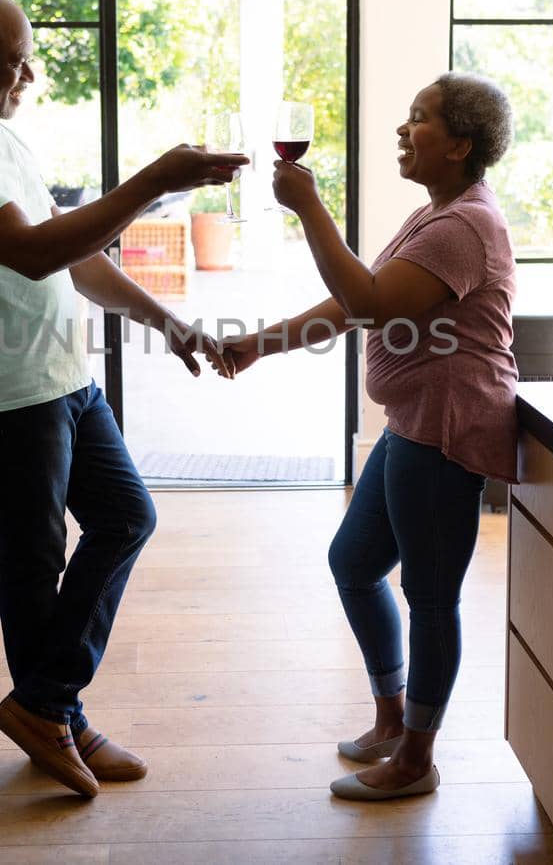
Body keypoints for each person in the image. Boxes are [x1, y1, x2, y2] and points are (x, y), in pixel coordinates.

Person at [0, 0, 247, 798]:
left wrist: (168, 322)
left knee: (126, 516)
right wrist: (153, 179)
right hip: (2, 388)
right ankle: (57, 716)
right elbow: (35, 253)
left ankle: (47, 706)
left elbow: (79, 257)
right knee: (36, 558)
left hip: (63, 375)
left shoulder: (2, 136)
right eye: (16, 61)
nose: (30, 74)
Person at [213, 72, 518, 801]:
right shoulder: (437, 212)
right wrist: (262, 342)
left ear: (460, 144)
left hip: (445, 433)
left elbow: (371, 302)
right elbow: (357, 297)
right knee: (354, 560)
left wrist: (308, 205)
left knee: (430, 595)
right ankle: (392, 717)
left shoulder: (463, 225)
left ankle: (417, 759)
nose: (401, 130)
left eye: (419, 119)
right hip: (411, 424)